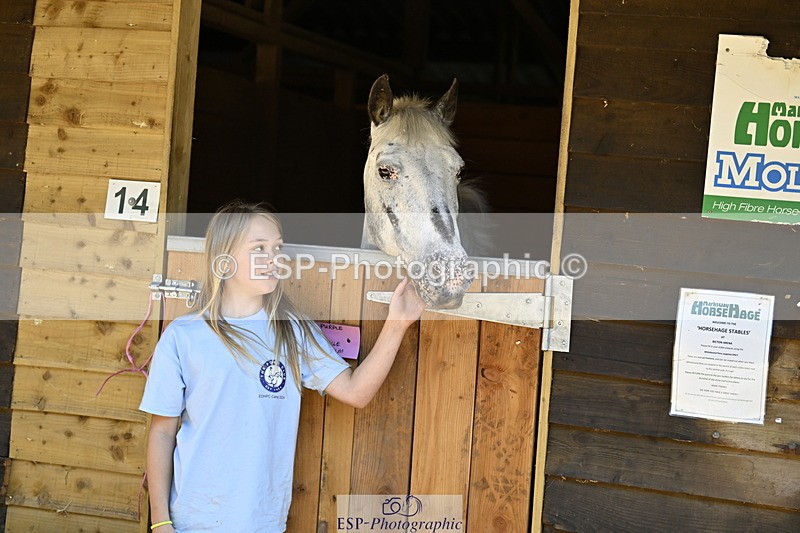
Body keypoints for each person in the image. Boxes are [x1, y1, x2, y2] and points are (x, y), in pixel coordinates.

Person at [140, 201, 426, 533]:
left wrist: (397, 323)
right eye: (259, 248)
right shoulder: (184, 337)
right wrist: (160, 521)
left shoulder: (291, 331)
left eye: (277, 248)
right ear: (224, 259)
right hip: (193, 520)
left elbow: (355, 392)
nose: (275, 259)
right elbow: (162, 432)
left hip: (262, 522)